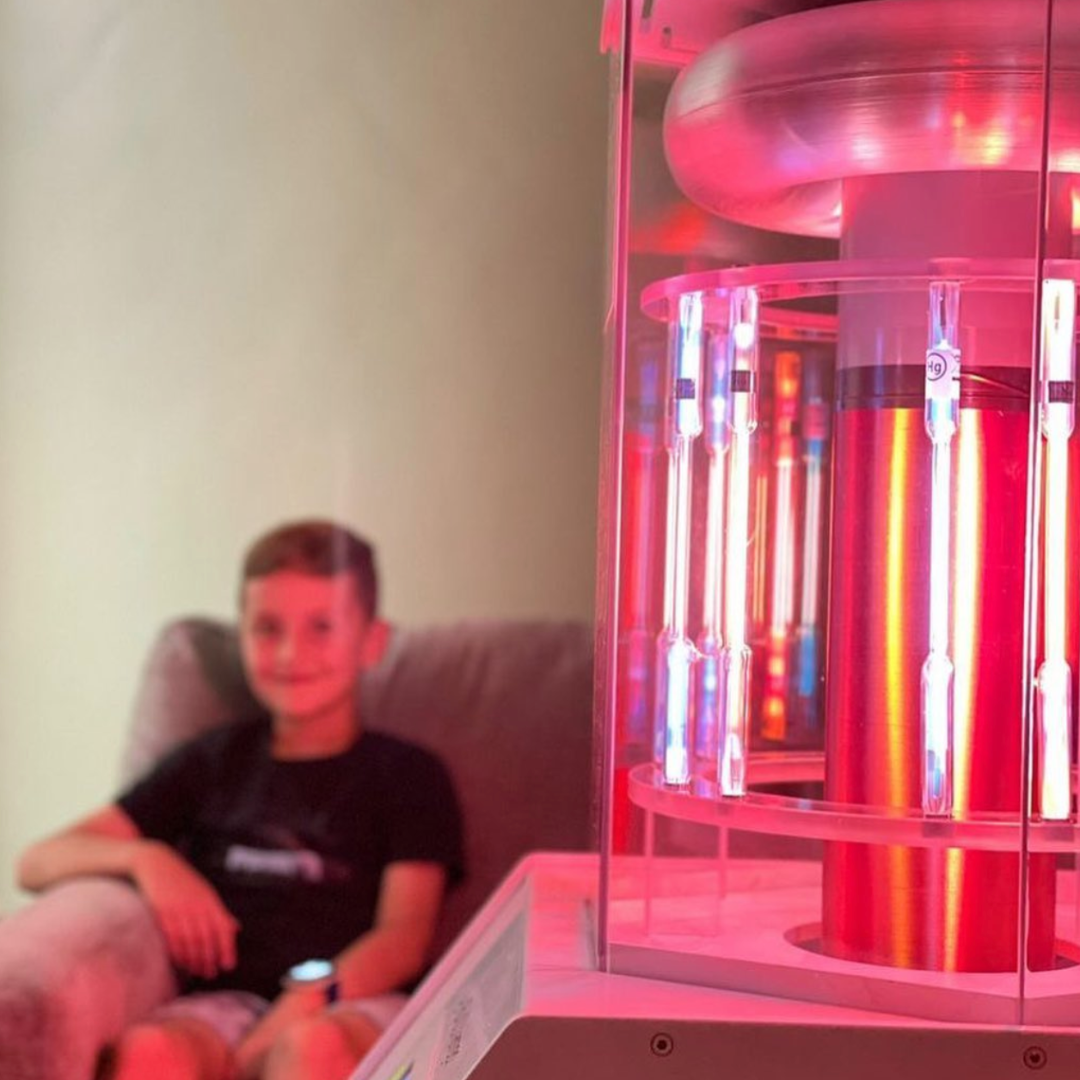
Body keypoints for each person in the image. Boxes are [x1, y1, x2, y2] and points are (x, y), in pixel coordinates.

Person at [17, 520, 464, 1080]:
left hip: (349, 1003)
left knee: (311, 1049)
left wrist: (301, 1003)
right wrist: (148, 858)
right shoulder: (212, 762)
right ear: (242, 633)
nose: (289, 653)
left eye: (320, 627)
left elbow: (403, 939)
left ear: (371, 642)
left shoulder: (408, 774)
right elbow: (36, 862)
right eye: (267, 628)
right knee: (147, 1054)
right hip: (225, 1003)